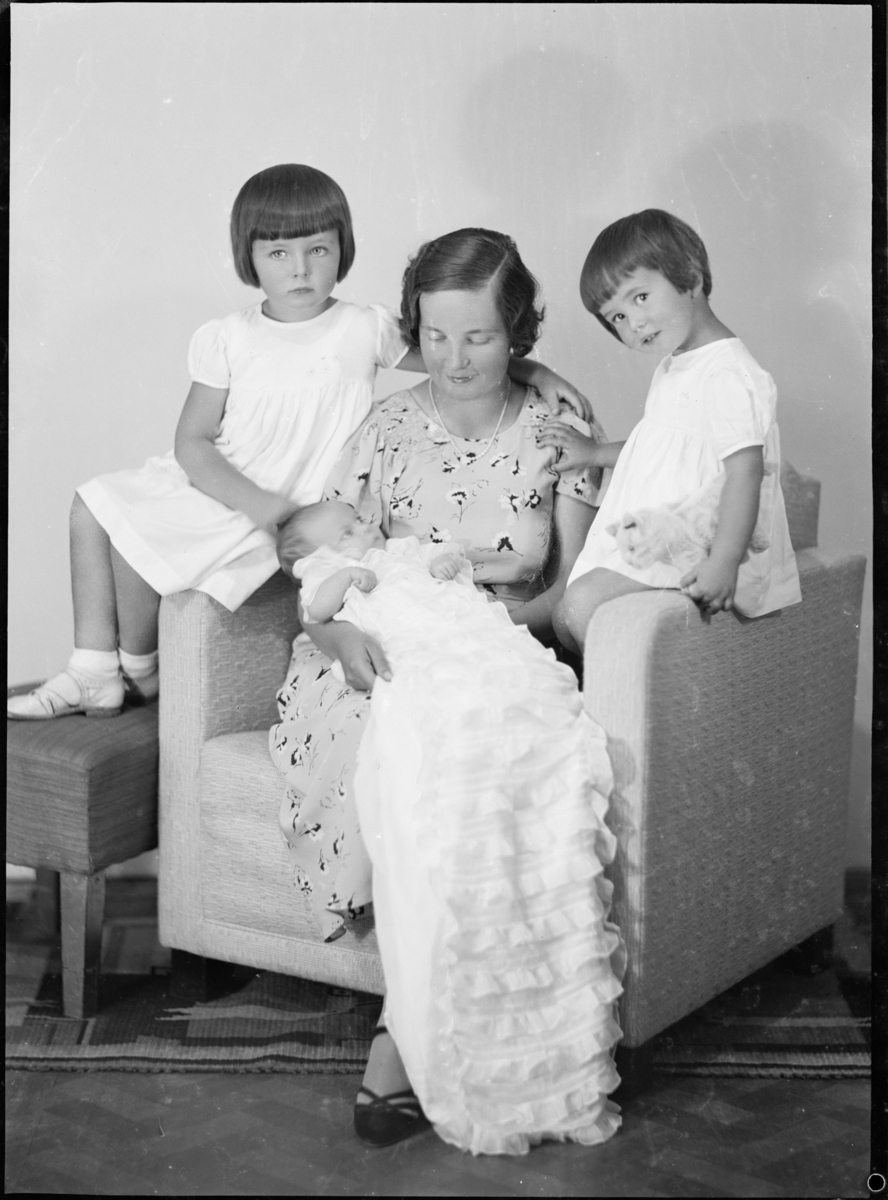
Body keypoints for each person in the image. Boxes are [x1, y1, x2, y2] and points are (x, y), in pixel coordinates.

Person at [269, 229, 624, 1154]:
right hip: (373, 642)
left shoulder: (558, 422)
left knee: (468, 749)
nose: (455, 360)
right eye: (434, 336)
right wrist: (340, 634)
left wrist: (479, 640)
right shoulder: (385, 428)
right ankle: (418, 1023)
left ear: (519, 332)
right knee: (384, 736)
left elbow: (568, 590)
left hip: (507, 642)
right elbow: (325, 574)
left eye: (480, 337)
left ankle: (407, 1035)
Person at [9, 167, 587, 721]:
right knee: (95, 507)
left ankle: (134, 670)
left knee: (124, 527)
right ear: (249, 256)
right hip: (238, 487)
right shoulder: (228, 337)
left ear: (343, 249)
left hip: (302, 500)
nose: (301, 270)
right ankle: (98, 664)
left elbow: (456, 355)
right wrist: (265, 508)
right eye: (278, 253)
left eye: (318, 249)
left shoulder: (363, 328)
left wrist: (537, 372)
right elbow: (192, 441)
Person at [544, 209, 802, 655]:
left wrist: (723, 562)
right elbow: (661, 448)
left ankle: (629, 685)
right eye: (616, 317)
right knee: (565, 615)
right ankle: (604, 686)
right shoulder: (676, 364)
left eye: (640, 297)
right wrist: (595, 453)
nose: (634, 323)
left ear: (691, 277)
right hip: (658, 535)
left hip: (699, 545)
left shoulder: (726, 373)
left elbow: (744, 474)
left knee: (581, 607)